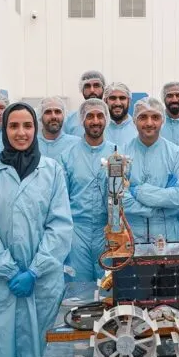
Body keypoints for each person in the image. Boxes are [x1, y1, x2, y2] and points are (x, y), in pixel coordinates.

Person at [0, 102, 73, 357]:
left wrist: (35, 270)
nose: (21, 132)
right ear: (4, 130)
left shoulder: (52, 171)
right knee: (1, 356)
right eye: (13, 126)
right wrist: (9, 270)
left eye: (27, 126)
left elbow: (60, 226)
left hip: (42, 282)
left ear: (35, 129)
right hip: (0, 283)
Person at [60, 98, 116, 282]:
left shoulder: (116, 154)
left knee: (108, 286)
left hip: (107, 231)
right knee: (78, 286)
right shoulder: (68, 155)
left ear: (106, 119)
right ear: (82, 120)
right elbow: (61, 199)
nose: (95, 121)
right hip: (77, 231)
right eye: (90, 116)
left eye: (100, 116)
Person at [122, 97, 179, 243]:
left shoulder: (175, 153)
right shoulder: (122, 153)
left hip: (168, 237)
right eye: (143, 117)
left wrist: (136, 190)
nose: (149, 123)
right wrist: (156, 208)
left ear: (162, 120)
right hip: (131, 237)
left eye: (155, 117)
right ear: (134, 121)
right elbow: (119, 198)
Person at [64, 70, 106, 137]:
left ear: (103, 88)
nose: (92, 90)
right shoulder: (70, 120)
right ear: (82, 89)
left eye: (96, 85)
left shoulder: (113, 119)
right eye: (87, 86)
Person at [104, 82, 137, 148]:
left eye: (122, 98)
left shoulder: (138, 128)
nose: (117, 103)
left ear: (129, 101)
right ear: (105, 101)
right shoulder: (98, 128)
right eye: (113, 98)